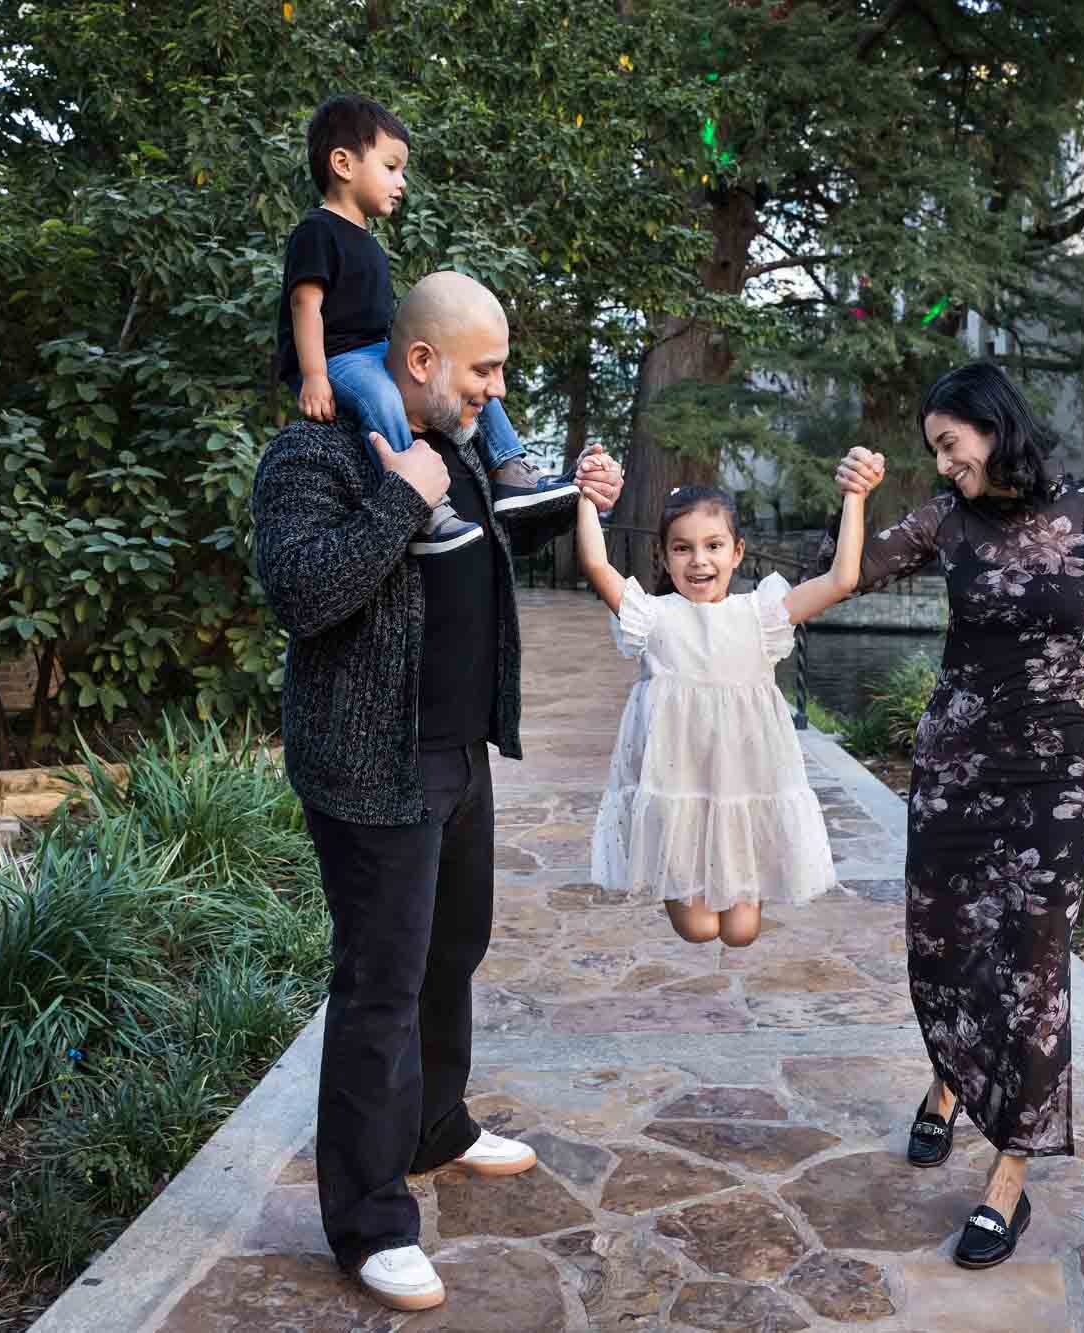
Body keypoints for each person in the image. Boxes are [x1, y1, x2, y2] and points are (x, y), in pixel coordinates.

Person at [252, 270, 623, 1312]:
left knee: (451, 951)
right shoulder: (313, 451)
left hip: (454, 753)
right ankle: (367, 1220)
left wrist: (581, 499)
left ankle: (434, 1125)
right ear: (421, 362)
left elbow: (494, 538)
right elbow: (302, 591)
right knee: (378, 982)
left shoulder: (454, 449)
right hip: (371, 765)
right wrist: (398, 497)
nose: (496, 390)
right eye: (486, 370)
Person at [826, 363, 1084, 1272]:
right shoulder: (945, 520)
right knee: (944, 949)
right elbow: (850, 576)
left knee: (1032, 968)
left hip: (1055, 781)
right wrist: (856, 498)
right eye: (934, 450)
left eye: (952, 445)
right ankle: (948, 1079)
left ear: (994, 425)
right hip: (952, 775)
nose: (943, 465)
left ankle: (1007, 1180)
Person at [578, 464, 882, 947]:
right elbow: (597, 566)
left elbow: (842, 579)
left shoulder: (760, 615)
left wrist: (855, 495)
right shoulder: (654, 616)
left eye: (713, 546)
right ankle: (677, 874)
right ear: (664, 554)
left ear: (737, 552)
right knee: (699, 929)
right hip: (680, 777)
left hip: (741, 778)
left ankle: (735, 872)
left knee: (740, 932)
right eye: (683, 548)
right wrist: (588, 499)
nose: (699, 561)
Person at [273, 94, 578, 556]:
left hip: (375, 350)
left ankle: (510, 469)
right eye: (391, 167)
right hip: (337, 358)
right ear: (343, 163)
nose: (402, 182)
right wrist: (314, 376)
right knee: (380, 396)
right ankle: (420, 500)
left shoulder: (368, 240)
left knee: (461, 377)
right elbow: (304, 305)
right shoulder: (317, 231)